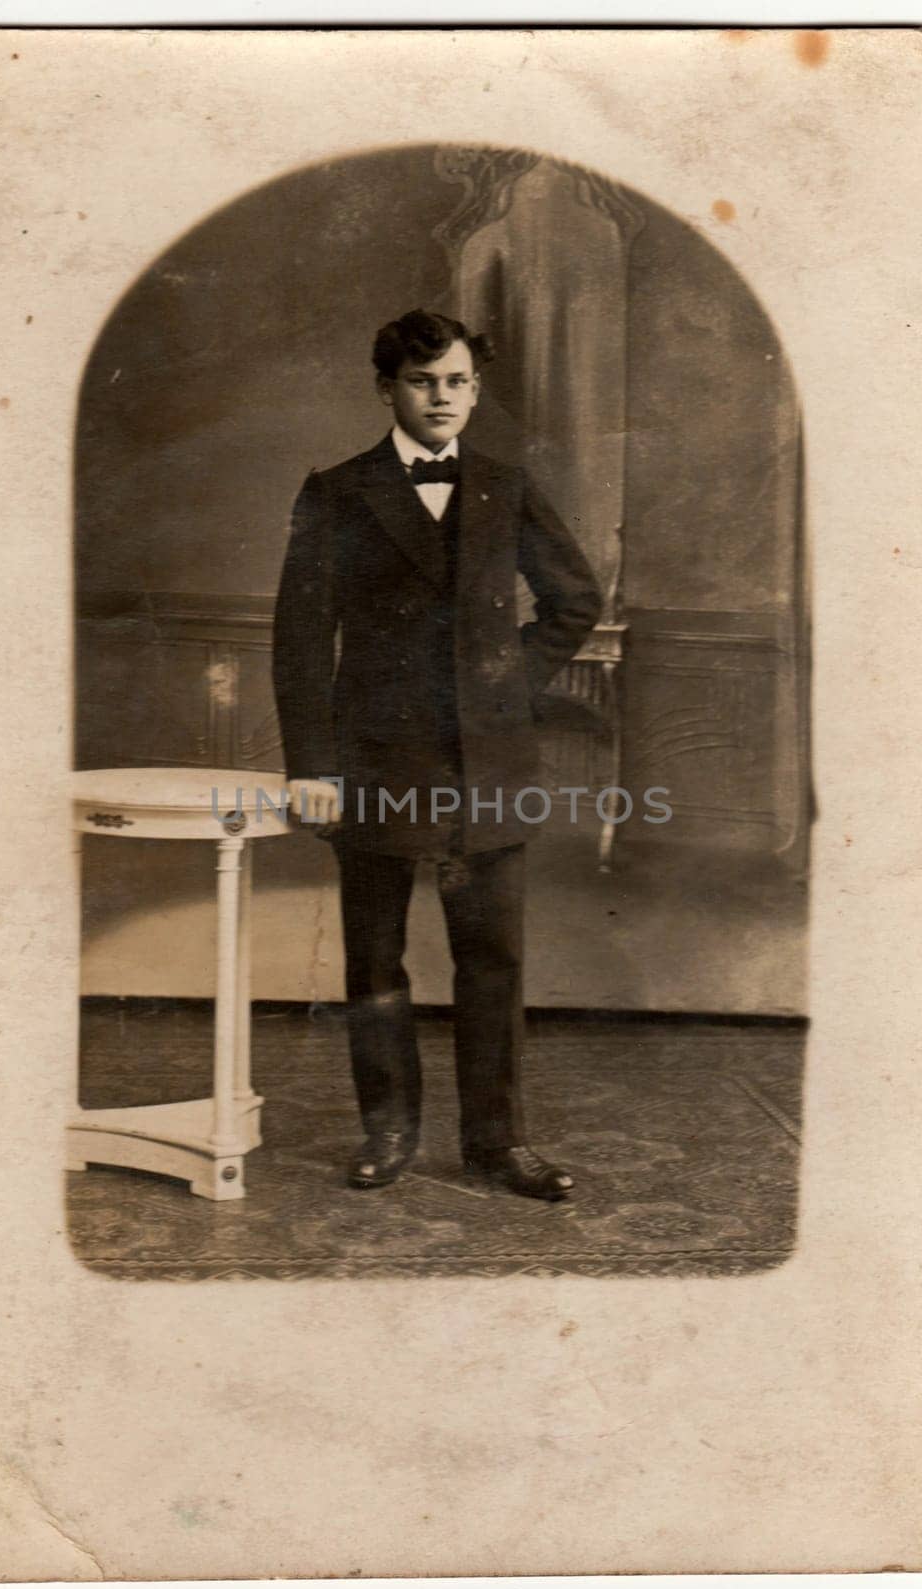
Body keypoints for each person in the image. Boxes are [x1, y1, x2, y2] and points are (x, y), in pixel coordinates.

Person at [272, 309, 602, 1199]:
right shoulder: (337, 493)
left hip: (488, 767)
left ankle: (498, 1144)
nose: (442, 397)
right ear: (388, 387)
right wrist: (312, 770)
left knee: (491, 958)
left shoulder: (507, 486)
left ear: (476, 389)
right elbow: (302, 640)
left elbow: (575, 599)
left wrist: (504, 682)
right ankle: (388, 1133)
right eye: (423, 382)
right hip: (375, 766)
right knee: (374, 960)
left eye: (457, 381)